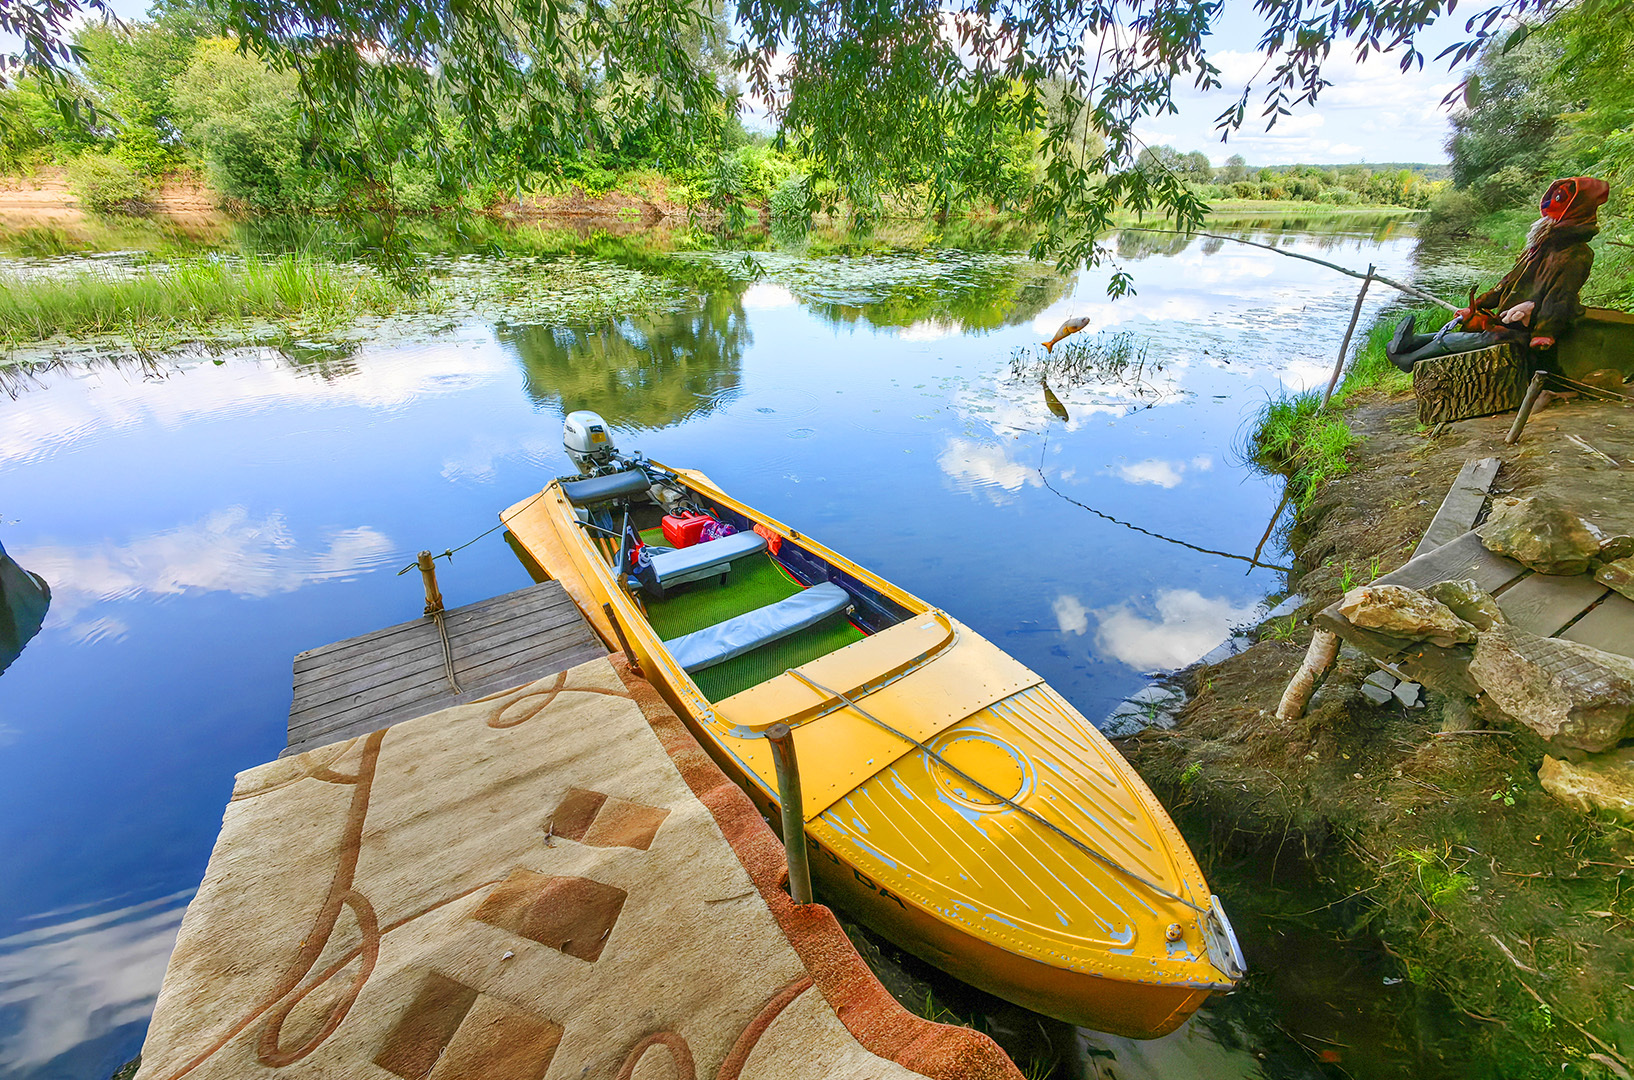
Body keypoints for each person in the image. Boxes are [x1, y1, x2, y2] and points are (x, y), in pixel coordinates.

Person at [1387, 176, 1609, 372]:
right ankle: (1412, 343)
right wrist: (1479, 305)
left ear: (1575, 210)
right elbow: (1509, 282)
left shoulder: (1577, 254)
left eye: (1559, 206)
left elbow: (1561, 297)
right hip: (1512, 318)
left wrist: (1543, 329)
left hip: (1534, 328)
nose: (1549, 213)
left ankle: (1410, 358)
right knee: (1477, 326)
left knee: (1490, 337)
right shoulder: (1542, 245)